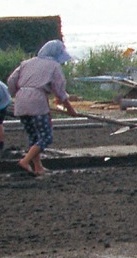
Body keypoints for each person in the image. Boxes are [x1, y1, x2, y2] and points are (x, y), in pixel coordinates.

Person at [7, 40, 81, 176]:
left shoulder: (27, 63)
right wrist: (70, 109)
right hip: (37, 101)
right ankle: (25, 161)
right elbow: (59, 90)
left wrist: (17, 93)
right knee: (46, 136)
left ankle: (38, 167)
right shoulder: (53, 66)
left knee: (33, 136)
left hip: (21, 100)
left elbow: (11, 80)